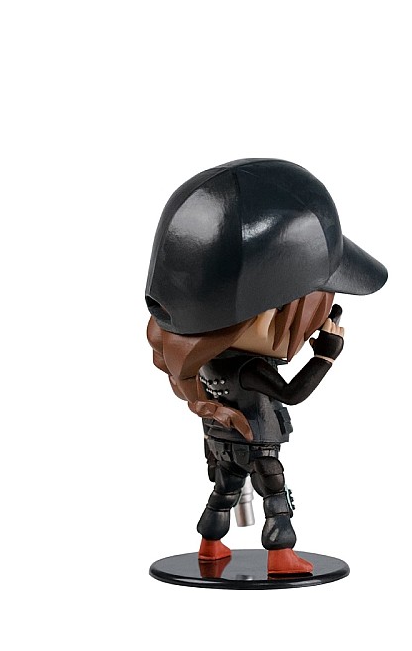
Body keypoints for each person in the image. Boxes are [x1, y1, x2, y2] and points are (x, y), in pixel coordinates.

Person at [146, 159, 387, 575]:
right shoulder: (249, 370)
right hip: (257, 444)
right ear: (265, 312)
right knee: (274, 495)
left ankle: (210, 545)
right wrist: (326, 354)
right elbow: (292, 394)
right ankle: (280, 552)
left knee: (224, 494)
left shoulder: (201, 363)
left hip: (223, 442)